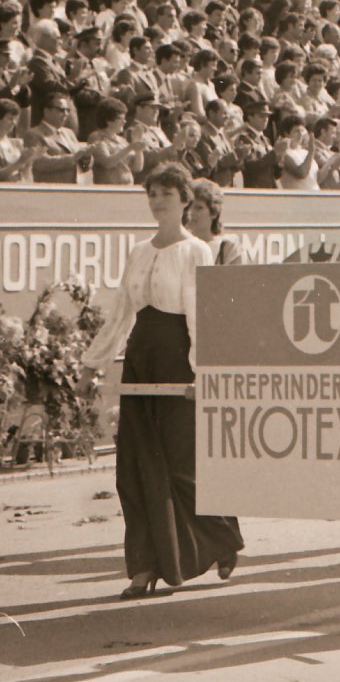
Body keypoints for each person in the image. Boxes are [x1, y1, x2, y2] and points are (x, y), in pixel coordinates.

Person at [74, 163, 243, 598]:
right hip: (140, 362)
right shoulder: (137, 251)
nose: (157, 201)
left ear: (186, 200)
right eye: (151, 193)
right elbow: (119, 314)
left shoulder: (196, 251)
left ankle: (222, 537)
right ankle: (144, 567)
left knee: (181, 465)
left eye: (166, 193)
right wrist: (92, 364)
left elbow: (198, 318)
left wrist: (202, 373)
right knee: (135, 465)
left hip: (178, 363)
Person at [186, 178, 245, 266]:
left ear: (213, 213)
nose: (191, 212)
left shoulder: (227, 248)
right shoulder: (178, 245)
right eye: (188, 206)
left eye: (199, 208)